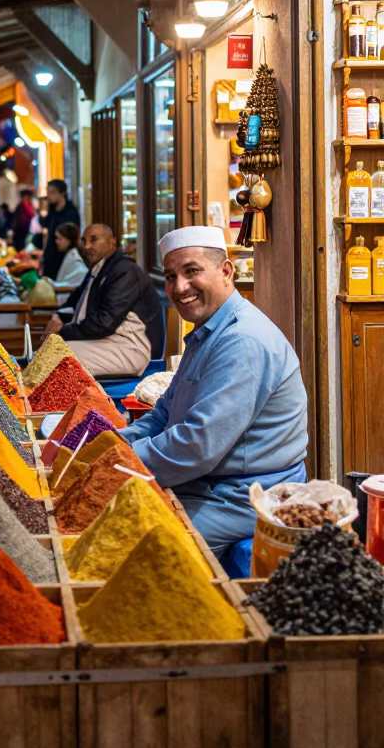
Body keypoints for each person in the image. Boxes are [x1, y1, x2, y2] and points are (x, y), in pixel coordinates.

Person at [122, 226, 308, 569]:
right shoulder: (209, 332)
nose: (179, 287)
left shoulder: (243, 341)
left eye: (192, 271)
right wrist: (113, 444)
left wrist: (120, 464)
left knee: (133, 552)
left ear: (226, 272)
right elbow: (163, 414)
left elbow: (197, 445)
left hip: (240, 496)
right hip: (205, 483)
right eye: (171, 276)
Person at [43, 223, 162, 377]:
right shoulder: (99, 269)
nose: (87, 246)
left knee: (58, 358)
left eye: (93, 240)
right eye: (84, 241)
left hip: (131, 349)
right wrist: (58, 316)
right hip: (108, 341)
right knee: (51, 351)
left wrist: (63, 331)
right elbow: (75, 301)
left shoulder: (125, 272)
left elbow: (104, 323)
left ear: (112, 243)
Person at [39, 179, 81, 280]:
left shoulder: (71, 213)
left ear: (62, 193)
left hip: (64, 263)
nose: (49, 196)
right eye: (48, 192)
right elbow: (46, 229)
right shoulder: (52, 211)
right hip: (49, 261)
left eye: (52, 192)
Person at [48, 221, 89, 289]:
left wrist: (51, 284)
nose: (56, 241)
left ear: (69, 240)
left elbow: (81, 275)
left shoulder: (74, 258)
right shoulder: (69, 254)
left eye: (60, 239)